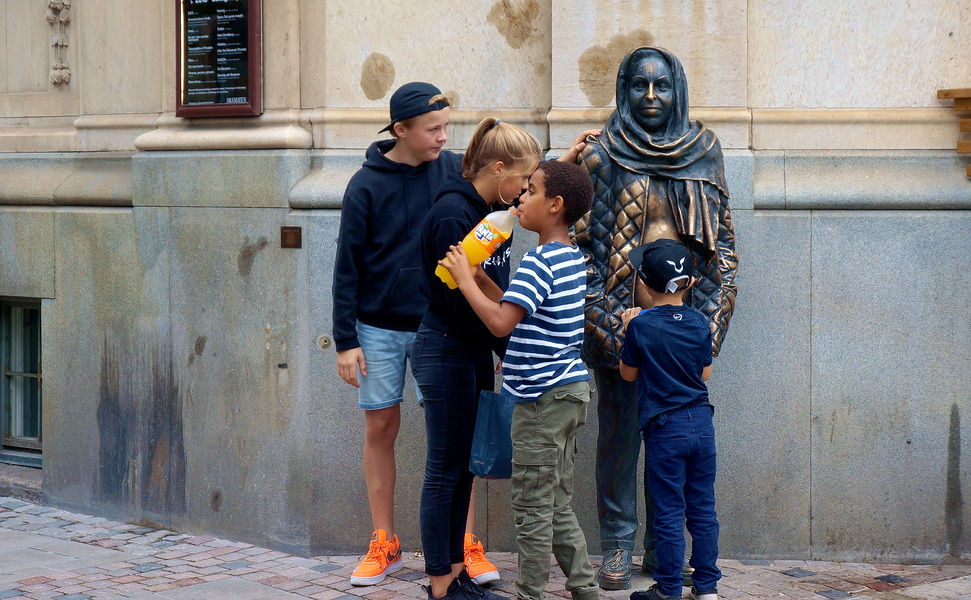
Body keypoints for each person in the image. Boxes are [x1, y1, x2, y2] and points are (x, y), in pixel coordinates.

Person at [572, 46, 738, 589]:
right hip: (620, 326)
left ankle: (659, 549)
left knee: (673, 442)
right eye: (639, 86)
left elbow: (722, 251)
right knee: (619, 437)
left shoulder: (705, 150)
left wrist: (709, 330)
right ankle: (617, 544)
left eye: (661, 86)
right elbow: (582, 252)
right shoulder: (602, 156)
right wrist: (608, 321)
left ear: (677, 89)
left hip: (684, 333)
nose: (649, 97)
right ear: (623, 90)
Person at [332, 81, 499, 586]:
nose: (444, 137)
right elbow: (347, 266)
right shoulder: (364, 184)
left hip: (445, 328)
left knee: (454, 440)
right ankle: (385, 540)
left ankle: (463, 544)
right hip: (379, 327)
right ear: (400, 130)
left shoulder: (453, 173)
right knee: (380, 428)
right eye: (433, 129)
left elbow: (505, 189)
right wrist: (345, 341)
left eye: (447, 127)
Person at [439, 160, 599, 600]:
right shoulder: (568, 256)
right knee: (556, 502)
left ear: (555, 204)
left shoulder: (538, 261)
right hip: (568, 393)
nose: (519, 199)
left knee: (531, 508)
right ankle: (585, 588)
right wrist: (482, 278)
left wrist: (462, 279)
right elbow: (519, 308)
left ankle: (531, 594)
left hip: (541, 401)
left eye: (530, 191)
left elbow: (500, 324)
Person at [413, 117, 543, 600]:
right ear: (498, 167)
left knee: (463, 467)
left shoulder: (486, 213)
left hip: (466, 350)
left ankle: (455, 571)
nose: (525, 191)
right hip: (445, 348)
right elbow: (454, 297)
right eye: (523, 181)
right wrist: (504, 342)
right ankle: (442, 582)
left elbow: (487, 291)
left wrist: (502, 343)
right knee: (444, 468)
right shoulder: (454, 212)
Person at [619, 239, 720, 600]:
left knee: (669, 511)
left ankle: (668, 588)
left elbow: (628, 374)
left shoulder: (642, 326)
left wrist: (631, 325)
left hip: (666, 428)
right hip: (701, 424)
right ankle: (707, 586)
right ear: (690, 283)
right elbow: (705, 374)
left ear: (644, 284)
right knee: (703, 508)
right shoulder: (699, 323)